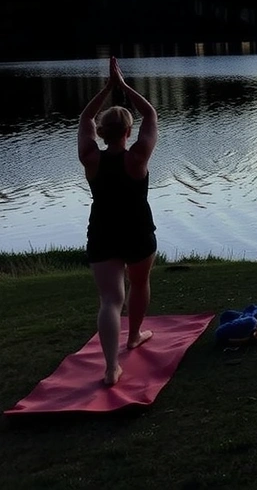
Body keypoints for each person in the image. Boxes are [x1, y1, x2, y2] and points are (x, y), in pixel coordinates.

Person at [78, 57, 158, 386]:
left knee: (111, 299)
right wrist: (124, 87)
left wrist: (106, 89)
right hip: (137, 230)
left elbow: (84, 118)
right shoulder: (137, 157)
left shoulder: (90, 158)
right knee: (138, 284)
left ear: (101, 132)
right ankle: (135, 335)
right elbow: (151, 115)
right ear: (127, 132)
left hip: (103, 231)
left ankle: (112, 367)